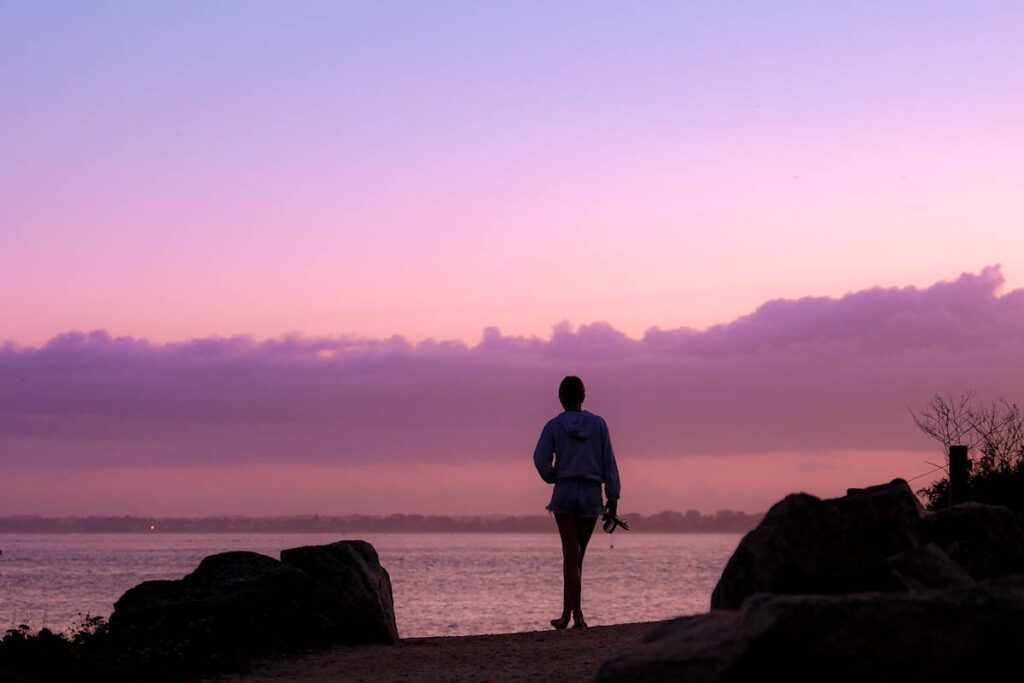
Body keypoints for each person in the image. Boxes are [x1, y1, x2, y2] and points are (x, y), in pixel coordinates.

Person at [533, 375, 621, 630]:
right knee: (577, 557)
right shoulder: (599, 425)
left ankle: (574, 615)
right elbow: (609, 463)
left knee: (571, 556)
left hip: (566, 491)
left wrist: (552, 476)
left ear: (560, 398)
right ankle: (569, 615)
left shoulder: (553, 426)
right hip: (592, 494)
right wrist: (613, 496)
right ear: (583, 397)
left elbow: (540, 459)